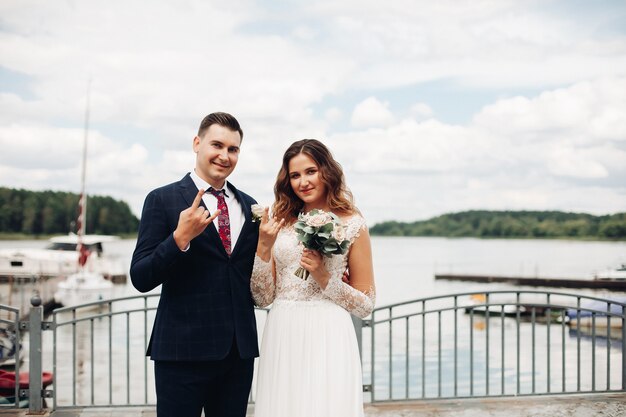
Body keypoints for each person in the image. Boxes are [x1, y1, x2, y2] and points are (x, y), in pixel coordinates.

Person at [130, 112, 260, 417]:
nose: (224, 155)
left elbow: (255, 273)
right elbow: (140, 277)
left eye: (233, 149)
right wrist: (178, 239)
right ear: (197, 143)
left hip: (237, 354)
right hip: (181, 353)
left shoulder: (250, 206)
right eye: (217, 145)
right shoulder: (162, 200)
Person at [250, 139, 376, 417]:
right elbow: (262, 297)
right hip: (284, 328)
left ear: (326, 172)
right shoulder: (280, 222)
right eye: (295, 175)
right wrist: (263, 247)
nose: (303, 181)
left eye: (310, 171)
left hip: (328, 331)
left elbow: (366, 305)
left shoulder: (352, 223)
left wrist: (325, 278)